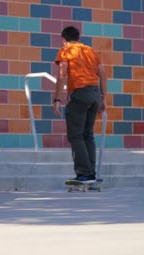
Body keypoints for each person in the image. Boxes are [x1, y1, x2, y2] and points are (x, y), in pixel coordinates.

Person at [53, 26, 107, 183]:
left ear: (64, 39)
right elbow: (103, 74)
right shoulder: (89, 50)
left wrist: (57, 99)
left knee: (76, 135)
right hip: (95, 94)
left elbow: (62, 75)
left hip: (80, 94)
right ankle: (91, 174)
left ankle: (84, 174)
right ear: (78, 37)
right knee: (87, 134)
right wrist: (103, 98)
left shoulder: (66, 50)